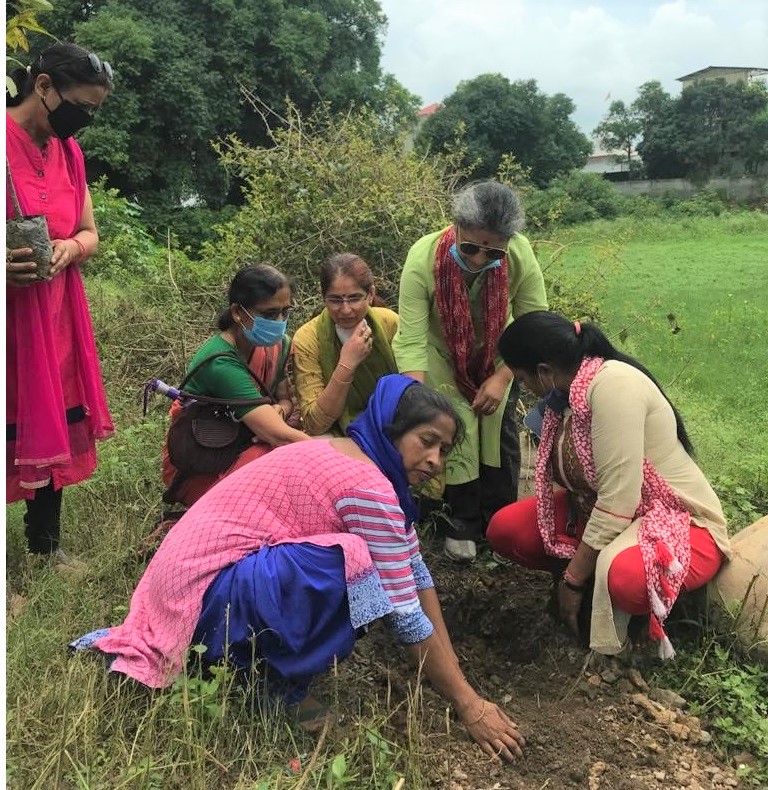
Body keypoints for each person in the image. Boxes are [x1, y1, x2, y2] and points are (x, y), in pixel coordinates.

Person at [72, 375, 526, 761]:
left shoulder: (348, 453)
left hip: (189, 588)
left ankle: (254, 668)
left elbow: (415, 572)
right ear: (392, 430)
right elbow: (405, 611)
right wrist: (469, 705)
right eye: (426, 442)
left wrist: (459, 675)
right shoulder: (369, 486)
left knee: (366, 563)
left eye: (444, 451)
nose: (434, 461)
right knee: (352, 561)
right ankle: (271, 686)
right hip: (202, 598)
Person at [487, 311, 731, 658]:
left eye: (524, 379)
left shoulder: (613, 387)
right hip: (601, 510)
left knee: (627, 580)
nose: (524, 388)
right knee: (508, 530)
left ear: (544, 370)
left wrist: (573, 581)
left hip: (674, 518)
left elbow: (619, 500)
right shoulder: (565, 396)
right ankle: (588, 584)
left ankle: (631, 619)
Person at [393, 180, 548, 562]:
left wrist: (502, 376)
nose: (480, 259)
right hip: (441, 355)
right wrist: (420, 400)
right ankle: (460, 523)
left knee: (497, 431)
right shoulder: (422, 258)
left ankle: (498, 523)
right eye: (470, 247)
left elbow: (534, 322)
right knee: (454, 424)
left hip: (500, 352)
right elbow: (411, 337)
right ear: (455, 227)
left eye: (492, 251)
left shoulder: (519, 254)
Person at [6, 43, 115, 563]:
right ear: (43, 86)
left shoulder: (69, 152)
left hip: (53, 313)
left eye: (94, 110)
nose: (86, 119)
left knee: (52, 416)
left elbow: (89, 233)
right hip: (8, 316)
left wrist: (71, 247)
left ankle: (44, 546)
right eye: (81, 106)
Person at [161, 264, 311, 507]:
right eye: (270, 314)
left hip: (249, 438)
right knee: (282, 466)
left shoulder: (279, 345)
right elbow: (277, 434)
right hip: (206, 459)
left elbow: (285, 399)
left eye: (285, 311)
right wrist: (334, 456)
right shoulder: (219, 363)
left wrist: (280, 411)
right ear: (238, 313)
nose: (280, 322)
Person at [292, 252, 398, 436]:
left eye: (355, 298)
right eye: (335, 300)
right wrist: (346, 365)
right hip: (338, 432)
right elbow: (314, 423)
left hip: (396, 425)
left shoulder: (390, 323)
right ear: (323, 297)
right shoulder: (308, 339)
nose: (346, 310)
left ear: (370, 294)